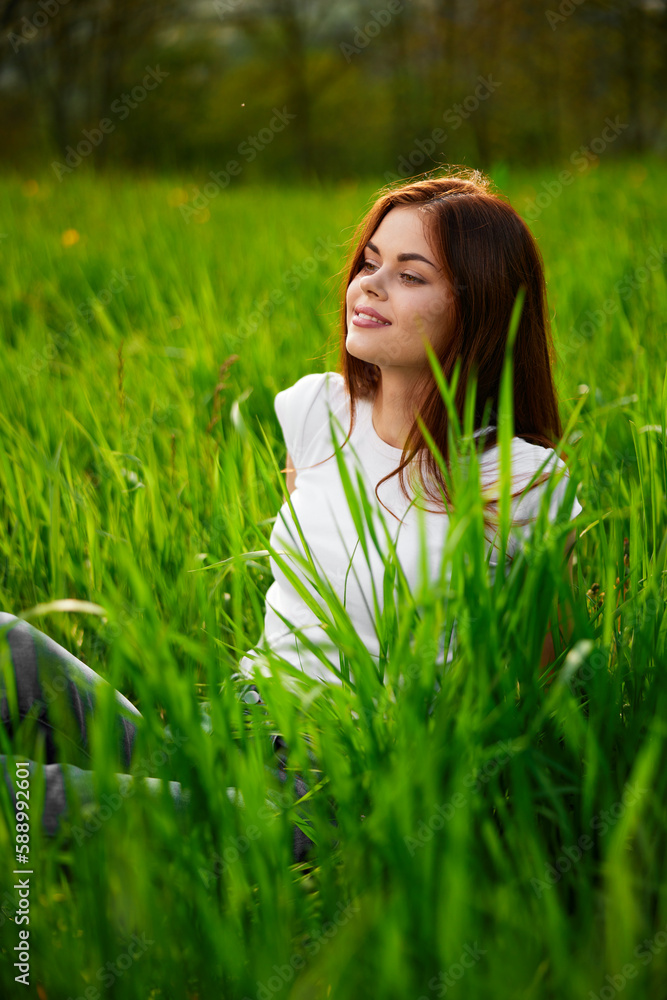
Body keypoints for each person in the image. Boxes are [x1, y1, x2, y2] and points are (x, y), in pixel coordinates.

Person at [0, 168, 582, 864]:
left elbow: (546, 694)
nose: (369, 284)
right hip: (228, 731)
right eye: (369, 264)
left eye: (410, 274)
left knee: (39, 795)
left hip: (340, 789)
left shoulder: (521, 483)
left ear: (480, 304)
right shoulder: (317, 412)